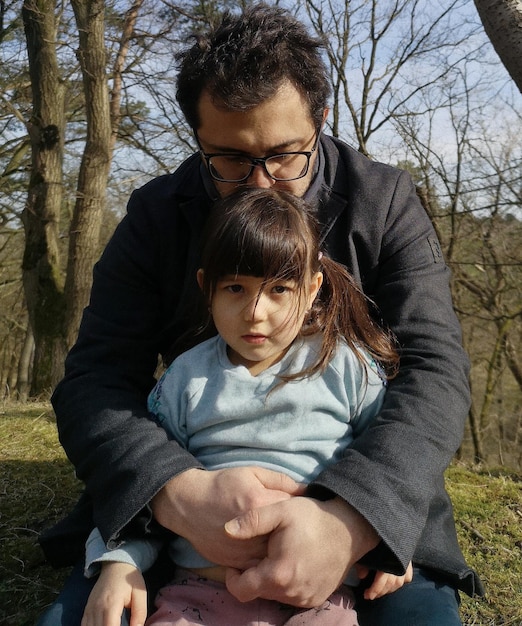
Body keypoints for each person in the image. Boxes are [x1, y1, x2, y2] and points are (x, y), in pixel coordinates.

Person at [38, 4, 483, 626]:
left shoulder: (383, 202)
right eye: (228, 161)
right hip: (180, 519)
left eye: (284, 157)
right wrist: (173, 491)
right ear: (196, 136)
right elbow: (95, 380)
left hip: (365, 511)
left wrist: (355, 518)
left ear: (319, 121)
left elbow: (435, 372)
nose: (261, 185)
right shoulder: (154, 216)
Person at [81, 188, 408, 626]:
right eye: (235, 288)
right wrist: (119, 562)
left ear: (313, 289)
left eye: (279, 289)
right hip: (194, 599)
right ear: (206, 288)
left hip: (318, 602)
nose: (256, 312)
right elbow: (140, 488)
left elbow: (390, 462)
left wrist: (391, 539)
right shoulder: (184, 380)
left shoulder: (347, 367)